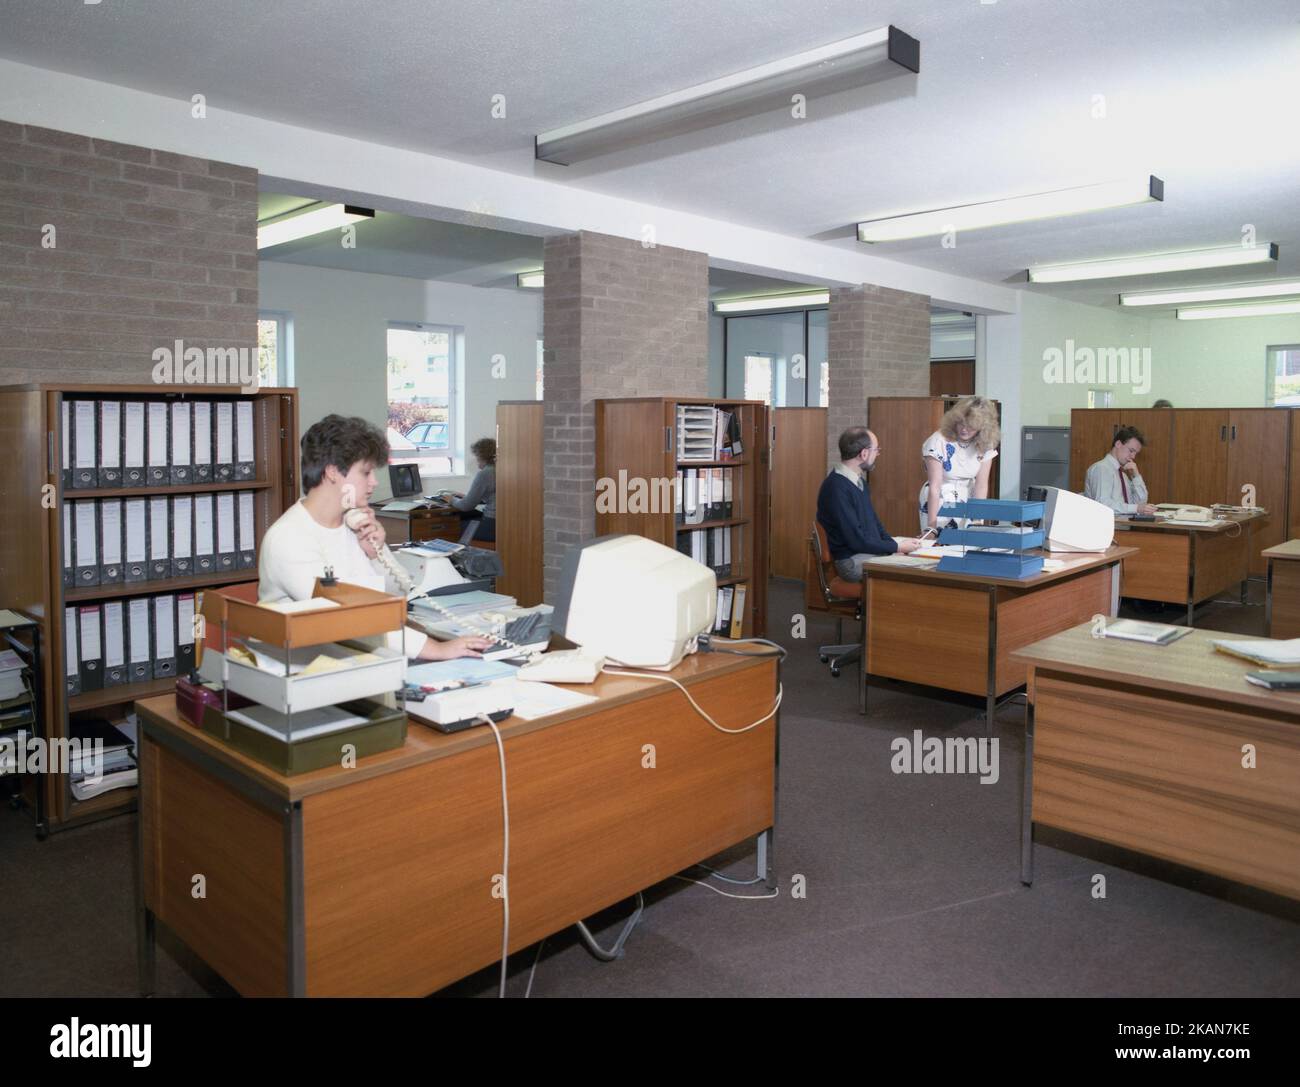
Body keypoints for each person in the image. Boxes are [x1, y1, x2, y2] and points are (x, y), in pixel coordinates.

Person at [259, 414, 491, 660]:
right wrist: (436, 649)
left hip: (356, 656)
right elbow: (343, 615)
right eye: (366, 472)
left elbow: (396, 596)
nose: (374, 482)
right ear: (333, 472)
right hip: (305, 669)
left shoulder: (352, 525)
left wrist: (375, 554)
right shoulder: (289, 538)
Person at [817, 426, 919, 582]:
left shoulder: (860, 483)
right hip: (851, 562)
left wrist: (893, 547)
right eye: (876, 450)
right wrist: (896, 548)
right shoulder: (836, 488)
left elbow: (875, 524)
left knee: (914, 562)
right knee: (912, 573)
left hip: (864, 553)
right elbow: (856, 540)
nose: (877, 454)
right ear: (864, 454)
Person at [919, 396, 1001, 533]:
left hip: (968, 496)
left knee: (966, 543)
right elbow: (935, 487)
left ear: (982, 428)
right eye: (961, 423)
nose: (964, 429)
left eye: (971, 426)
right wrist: (931, 527)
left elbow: (981, 485)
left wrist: (977, 520)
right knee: (940, 542)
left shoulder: (985, 444)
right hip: (940, 497)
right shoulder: (938, 441)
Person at [1083, 425, 1159, 516]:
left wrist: (1136, 476)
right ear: (1118, 444)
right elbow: (1103, 504)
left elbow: (1140, 502)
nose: (1133, 457)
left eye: (1136, 453)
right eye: (1131, 451)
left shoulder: (1122, 475)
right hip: (1109, 528)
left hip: (1124, 526)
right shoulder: (1101, 469)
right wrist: (1137, 508)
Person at [446, 437, 496, 542]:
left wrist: (451, 499)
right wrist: (468, 497)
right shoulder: (503, 468)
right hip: (503, 522)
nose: (477, 462)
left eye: (477, 458)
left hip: (491, 524)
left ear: (483, 456)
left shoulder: (485, 473)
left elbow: (465, 506)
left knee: (450, 526)